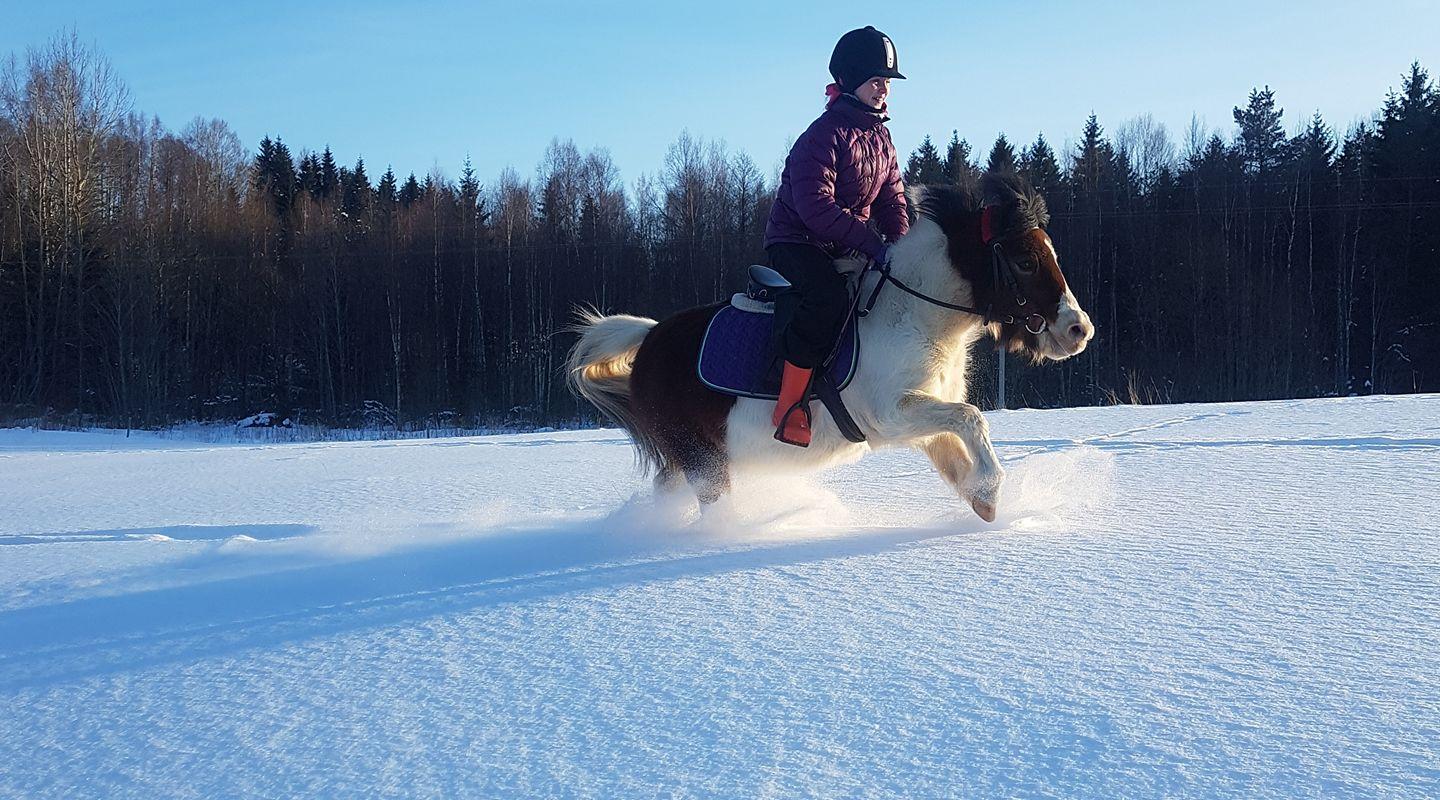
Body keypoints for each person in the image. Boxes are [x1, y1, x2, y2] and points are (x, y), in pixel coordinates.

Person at [764, 25, 909, 447]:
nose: (883, 89)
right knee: (827, 296)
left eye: (886, 82)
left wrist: (901, 251)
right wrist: (871, 244)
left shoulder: (882, 137)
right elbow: (816, 209)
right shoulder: (822, 136)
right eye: (875, 81)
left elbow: (892, 202)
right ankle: (790, 406)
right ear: (848, 82)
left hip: (845, 241)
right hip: (797, 242)